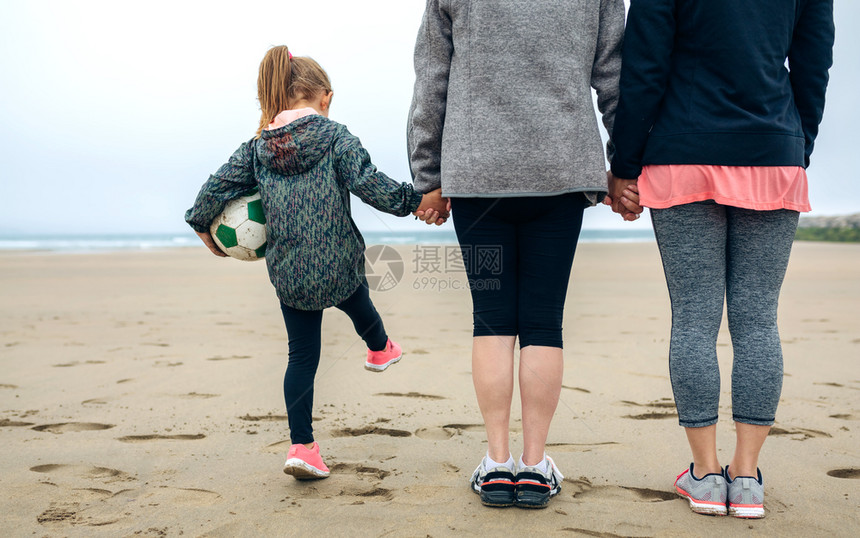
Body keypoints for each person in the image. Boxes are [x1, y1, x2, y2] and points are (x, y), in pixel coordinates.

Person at [607, 0, 834, 518]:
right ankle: (748, 477)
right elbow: (815, 59)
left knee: (694, 316)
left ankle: (706, 475)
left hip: (681, 150)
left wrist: (624, 162)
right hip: (773, 149)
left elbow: (645, 64)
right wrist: (797, 144)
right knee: (757, 319)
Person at [185, 45, 449, 480]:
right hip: (339, 265)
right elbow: (373, 187)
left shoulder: (257, 149)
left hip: (290, 277)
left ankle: (302, 447)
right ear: (322, 96)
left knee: (301, 357)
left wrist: (200, 225)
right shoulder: (336, 136)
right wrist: (418, 201)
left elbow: (214, 188)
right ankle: (380, 348)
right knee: (358, 300)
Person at [408, 0, 629, 508]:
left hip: (479, 176)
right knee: (543, 322)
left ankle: (497, 462)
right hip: (561, 170)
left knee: (491, 320)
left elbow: (431, 78)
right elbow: (614, 76)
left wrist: (428, 176)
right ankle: (533, 466)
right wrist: (624, 163)